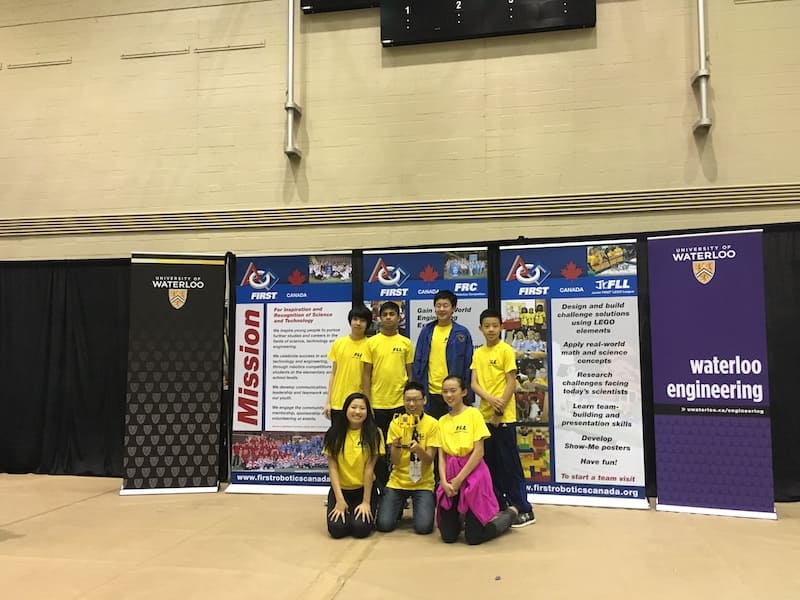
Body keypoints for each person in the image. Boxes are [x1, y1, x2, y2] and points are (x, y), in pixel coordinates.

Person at [433, 374, 517, 545]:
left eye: (453, 391)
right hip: (450, 475)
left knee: (474, 537)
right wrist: (444, 481)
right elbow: (441, 456)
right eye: (445, 391)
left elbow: (479, 452)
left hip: (473, 474)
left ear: (463, 392)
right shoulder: (442, 421)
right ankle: (465, 516)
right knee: (448, 536)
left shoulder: (474, 414)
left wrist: (458, 480)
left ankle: (509, 515)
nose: (449, 395)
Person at [471, 308, 536, 528]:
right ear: (480, 328)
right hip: (484, 419)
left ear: (501, 327)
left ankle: (524, 508)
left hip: (504, 417)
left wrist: (499, 409)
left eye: (495, 326)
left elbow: (511, 382)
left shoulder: (506, 350)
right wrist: (489, 399)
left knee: (510, 465)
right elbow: (473, 383)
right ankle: (500, 504)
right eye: (486, 326)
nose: (491, 330)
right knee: (490, 465)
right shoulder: (478, 353)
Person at [376, 381, 439, 535]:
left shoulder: (433, 424)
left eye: (416, 399)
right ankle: (396, 508)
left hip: (423, 484)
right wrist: (396, 447)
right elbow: (395, 462)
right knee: (383, 525)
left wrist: (418, 449)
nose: (412, 404)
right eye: (407, 400)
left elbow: (429, 460)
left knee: (423, 528)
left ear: (424, 400)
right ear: (403, 401)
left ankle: (419, 507)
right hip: (398, 481)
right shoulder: (396, 423)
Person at [362, 301, 414, 487]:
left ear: (399, 317)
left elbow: (410, 375)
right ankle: (382, 489)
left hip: (399, 404)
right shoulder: (371, 343)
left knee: (400, 446)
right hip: (377, 405)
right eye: (385, 314)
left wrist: (410, 403)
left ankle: (401, 486)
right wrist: (367, 403)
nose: (389, 317)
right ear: (379, 318)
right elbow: (366, 374)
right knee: (379, 449)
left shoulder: (406, 343)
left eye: (393, 314)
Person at [323, 392, 384, 539]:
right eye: (353, 407)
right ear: (346, 409)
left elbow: (369, 469)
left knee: (360, 529)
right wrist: (340, 500)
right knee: (337, 530)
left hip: (363, 490)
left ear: (368, 412)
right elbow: (332, 468)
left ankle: (364, 512)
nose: (357, 412)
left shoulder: (375, 433)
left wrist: (366, 502)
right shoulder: (333, 434)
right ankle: (346, 512)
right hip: (341, 490)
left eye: (362, 408)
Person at [412, 290, 474, 419]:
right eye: (438, 306)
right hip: (430, 393)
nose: (441, 309)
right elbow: (418, 362)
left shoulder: (462, 333)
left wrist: (467, 395)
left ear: (453, 308)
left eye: (445, 306)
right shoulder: (426, 331)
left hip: (453, 394)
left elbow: (468, 365)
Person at [324, 304, 372, 422]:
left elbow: (367, 377)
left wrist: (368, 404)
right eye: (355, 319)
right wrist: (328, 402)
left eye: (362, 320)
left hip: (357, 406)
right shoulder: (339, 343)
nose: (358, 323)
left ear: (368, 324)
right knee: (337, 440)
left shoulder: (370, 345)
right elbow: (333, 374)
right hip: (338, 403)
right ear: (350, 321)